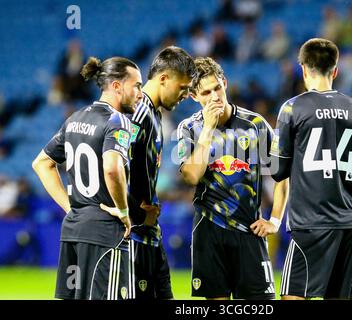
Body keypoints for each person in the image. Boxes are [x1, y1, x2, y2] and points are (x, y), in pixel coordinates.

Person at [270, 38, 352, 300]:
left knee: (293, 296)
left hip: (310, 224)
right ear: (336, 70)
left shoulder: (292, 108)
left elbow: (278, 171)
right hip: (349, 226)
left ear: (303, 68)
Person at [32, 56, 143, 299]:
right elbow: (112, 168)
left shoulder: (75, 119)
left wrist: (70, 208)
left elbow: (41, 163)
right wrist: (124, 212)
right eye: (136, 85)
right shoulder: (118, 121)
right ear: (116, 86)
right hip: (105, 233)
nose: (140, 93)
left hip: (73, 229)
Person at [178, 57, 289, 300]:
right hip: (208, 229)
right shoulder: (189, 128)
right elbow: (192, 176)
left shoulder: (256, 125)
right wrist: (208, 129)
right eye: (206, 92)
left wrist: (276, 220)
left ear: (225, 83)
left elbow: (282, 175)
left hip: (249, 230)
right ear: (194, 97)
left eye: (217, 87)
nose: (215, 96)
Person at [100, 46, 196, 299]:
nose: (185, 94)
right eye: (183, 87)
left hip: (149, 234)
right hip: (134, 237)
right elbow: (114, 162)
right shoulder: (138, 113)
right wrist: (136, 214)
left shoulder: (153, 114)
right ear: (163, 78)